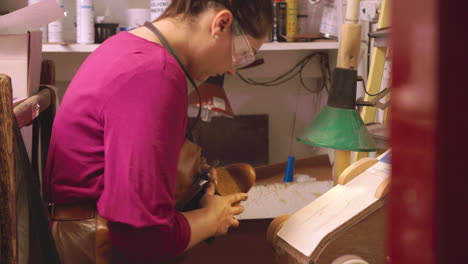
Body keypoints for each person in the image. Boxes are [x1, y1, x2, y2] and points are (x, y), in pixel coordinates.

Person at [44, 0, 273, 263]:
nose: (233, 68)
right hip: (96, 248)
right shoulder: (153, 74)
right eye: (243, 54)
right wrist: (211, 219)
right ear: (221, 23)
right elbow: (141, 235)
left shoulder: (126, 47)